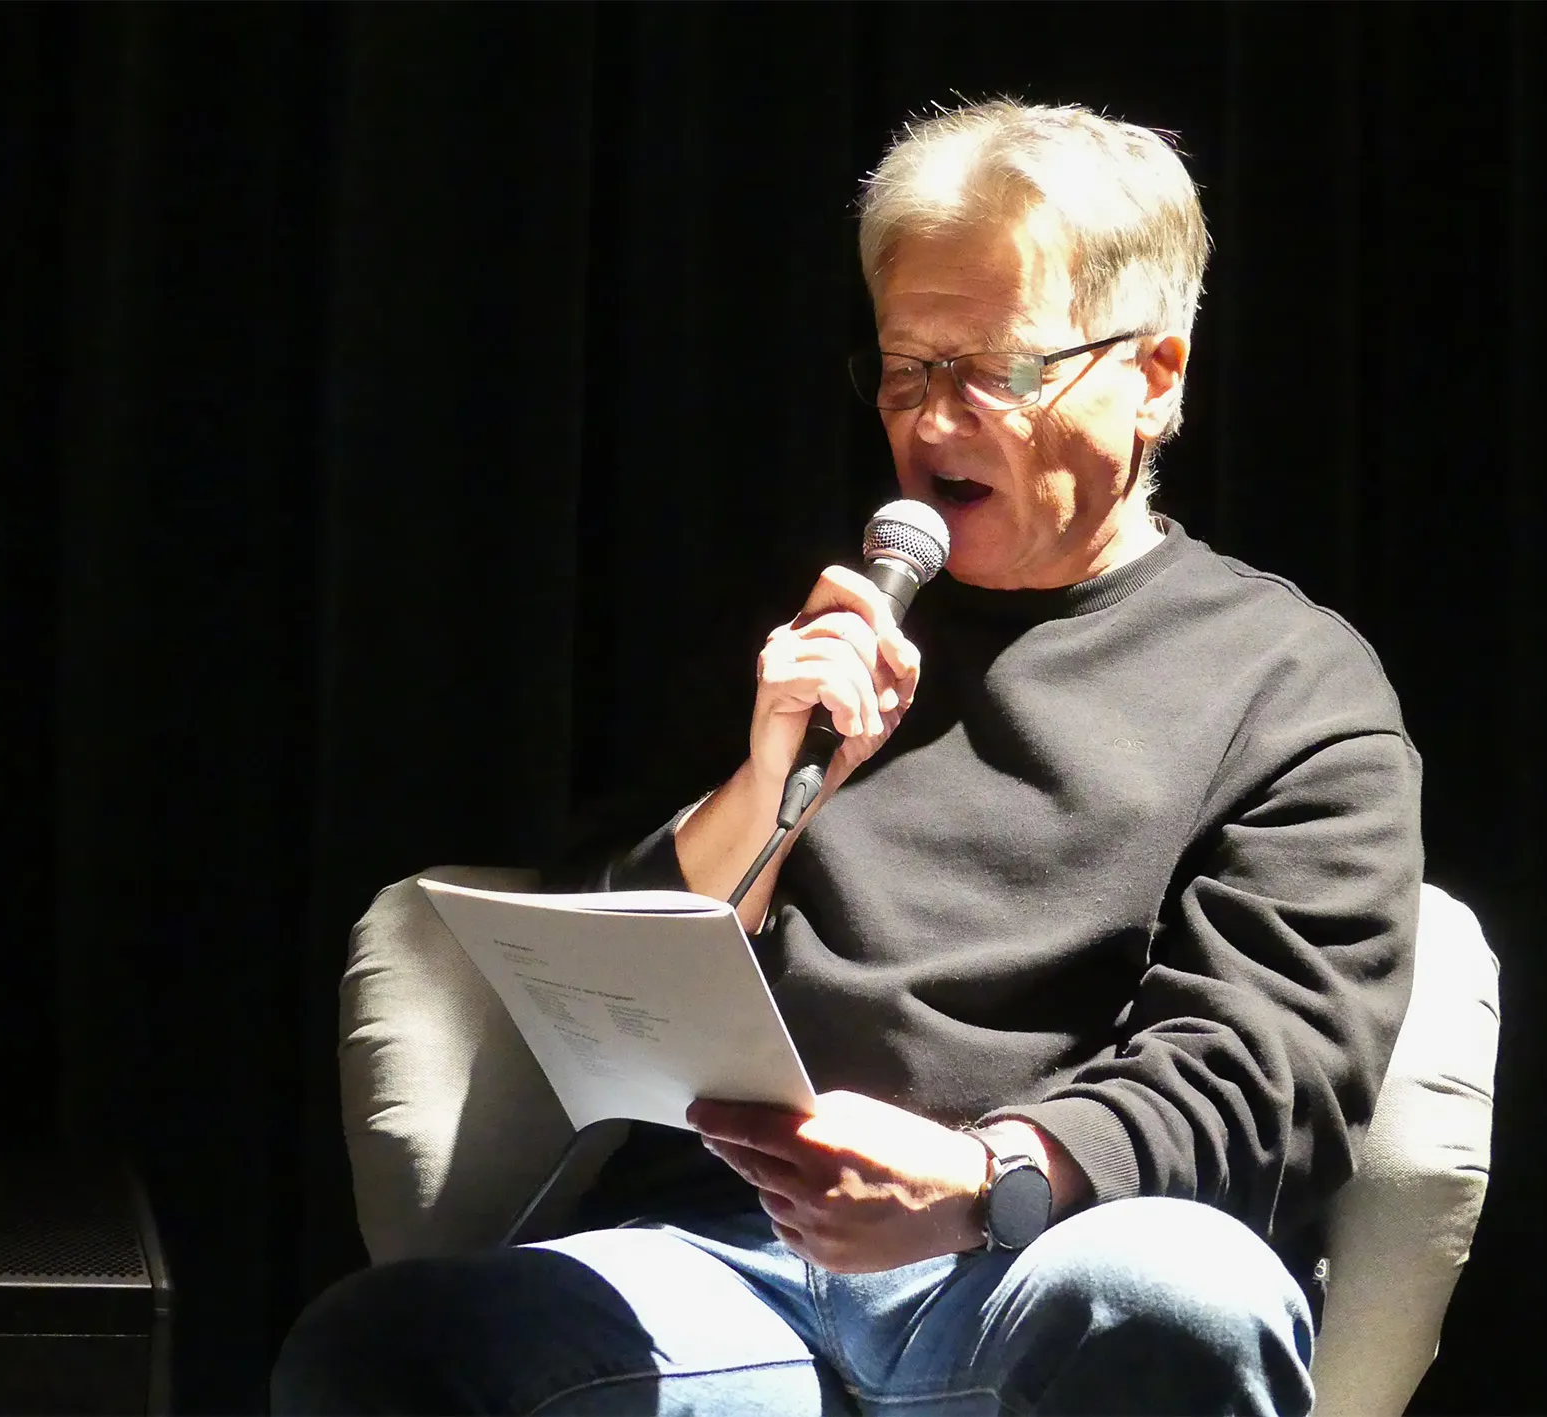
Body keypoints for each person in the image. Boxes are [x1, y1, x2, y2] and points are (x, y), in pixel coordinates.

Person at [273, 98, 1423, 1416]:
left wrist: (982, 1179)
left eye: (993, 368)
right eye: (904, 369)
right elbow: (612, 972)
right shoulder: (810, 625)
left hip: (1037, 1252)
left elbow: (1265, 1066)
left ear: (1154, 376)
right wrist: (765, 781)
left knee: (1173, 1300)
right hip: (731, 1253)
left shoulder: (1288, 681)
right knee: (397, 1344)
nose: (934, 424)